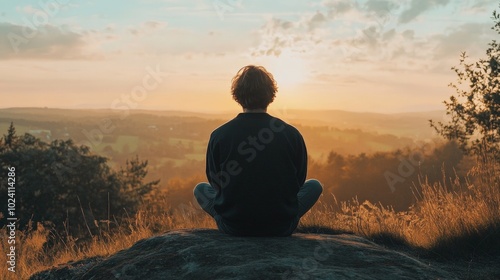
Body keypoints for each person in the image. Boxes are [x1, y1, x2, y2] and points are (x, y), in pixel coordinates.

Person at [193, 65, 323, 236]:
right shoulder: (292, 134)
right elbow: (298, 182)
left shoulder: (219, 135)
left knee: (200, 189)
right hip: (281, 227)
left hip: (234, 227)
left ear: (237, 95)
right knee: (314, 186)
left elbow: (215, 183)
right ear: (270, 95)